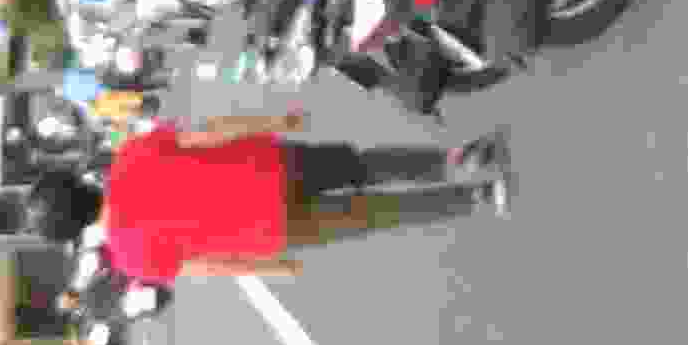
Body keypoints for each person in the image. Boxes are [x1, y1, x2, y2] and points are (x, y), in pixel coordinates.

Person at [93, 116, 511, 288]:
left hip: (271, 227)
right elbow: (209, 133)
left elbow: (206, 265)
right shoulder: (131, 156)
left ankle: (475, 196)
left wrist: (270, 268)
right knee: (364, 166)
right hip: (273, 164)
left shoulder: (131, 259)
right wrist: (274, 122)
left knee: (378, 215)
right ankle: (456, 160)